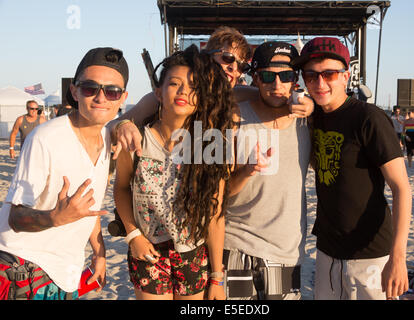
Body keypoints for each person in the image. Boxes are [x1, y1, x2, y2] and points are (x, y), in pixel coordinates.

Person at [0, 47, 129, 300]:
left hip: (65, 272)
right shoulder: (45, 138)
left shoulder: (106, 139)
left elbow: (88, 209)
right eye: (91, 88)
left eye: (112, 91)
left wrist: (100, 253)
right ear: (74, 91)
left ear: (122, 98)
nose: (101, 98)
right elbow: (15, 218)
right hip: (24, 271)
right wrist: (55, 218)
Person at [293, 37, 412, 300]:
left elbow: (401, 188)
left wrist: (398, 257)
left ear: (345, 76)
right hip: (326, 252)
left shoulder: (369, 118)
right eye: (311, 75)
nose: (319, 83)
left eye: (329, 74)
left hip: (370, 255)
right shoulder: (313, 116)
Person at [113, 45, 233, 300]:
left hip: (193, 253)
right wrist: (133, 235)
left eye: (193, 87)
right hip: (147, 250)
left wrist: (217, 278)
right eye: (174, 84)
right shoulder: (136, 140)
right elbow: (121, 188)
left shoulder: (209, 146)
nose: (183, 92)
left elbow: (215, 213)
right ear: (158, 92)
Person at [108, 26, 313, 159]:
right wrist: (124, 124)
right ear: (207, 56)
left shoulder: (236, 95)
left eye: (242, 66)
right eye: (228, 58)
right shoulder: (169, 96)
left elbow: (272, 96)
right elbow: (111, 126)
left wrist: (310, 103)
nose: (234, 69)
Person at [224, 41, 311, 300]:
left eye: (285, 76)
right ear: (255, 78)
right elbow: (221, 190)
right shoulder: (235, 118)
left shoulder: (309, 121)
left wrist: (312, 106)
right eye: (267, 76)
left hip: (286, 251)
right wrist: (246, 171)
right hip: (236, 245)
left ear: (296, 80)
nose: (277, 85)